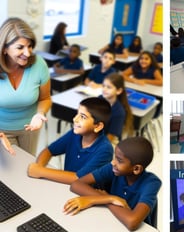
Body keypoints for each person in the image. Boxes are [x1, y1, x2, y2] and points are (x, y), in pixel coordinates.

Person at [63, 137, 161, 231]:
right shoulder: (113, 169)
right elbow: (76, 184)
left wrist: (104, 200)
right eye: (115, 157)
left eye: (119, 160)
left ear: (136, 169)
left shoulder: (152, 183)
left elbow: (132, 222)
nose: (113, 162)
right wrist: (110, 199)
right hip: (112, 221)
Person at [27, 97, 113, 184]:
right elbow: (49, 151)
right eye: (77, 114)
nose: (75, 119)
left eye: (83, 117)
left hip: (85, 195)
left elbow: (78, 179)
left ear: (98, 126)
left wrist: (41, 172)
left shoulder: (105, 150)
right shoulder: (75, 134)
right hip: (66, 187)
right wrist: (39, 167)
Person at [0, 17, 51, 155]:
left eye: (29, 46)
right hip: (1, 130)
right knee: (7, 172)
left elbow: (45, 98)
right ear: (4, 48)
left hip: (30, 129)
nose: (27, 53)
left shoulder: (39, 64)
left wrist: (40, 115)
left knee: (26, 168)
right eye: (20, 47)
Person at [101, 73, 133, 145]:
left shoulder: (119, 112)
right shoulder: (99, 98)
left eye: (109, 87)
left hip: (109, 140)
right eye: (103, 86)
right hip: (97, 135)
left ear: (119, 91)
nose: (104, 89)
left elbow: (111, 136)